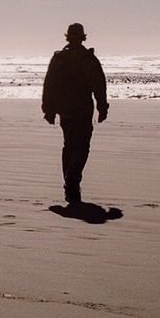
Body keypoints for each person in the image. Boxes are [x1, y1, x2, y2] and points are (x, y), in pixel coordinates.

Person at [42, 22, 108, 204]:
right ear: (82, 37)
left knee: (69, 146)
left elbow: (49, 85)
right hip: (82, 110)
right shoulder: (88, 59)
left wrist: (48, 109)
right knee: (81, 147)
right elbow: (99, 86)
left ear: (68, 37)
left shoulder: (59, 58)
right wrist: (102, 107)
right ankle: (72, 181)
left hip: (66, 110)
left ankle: (70, 184)